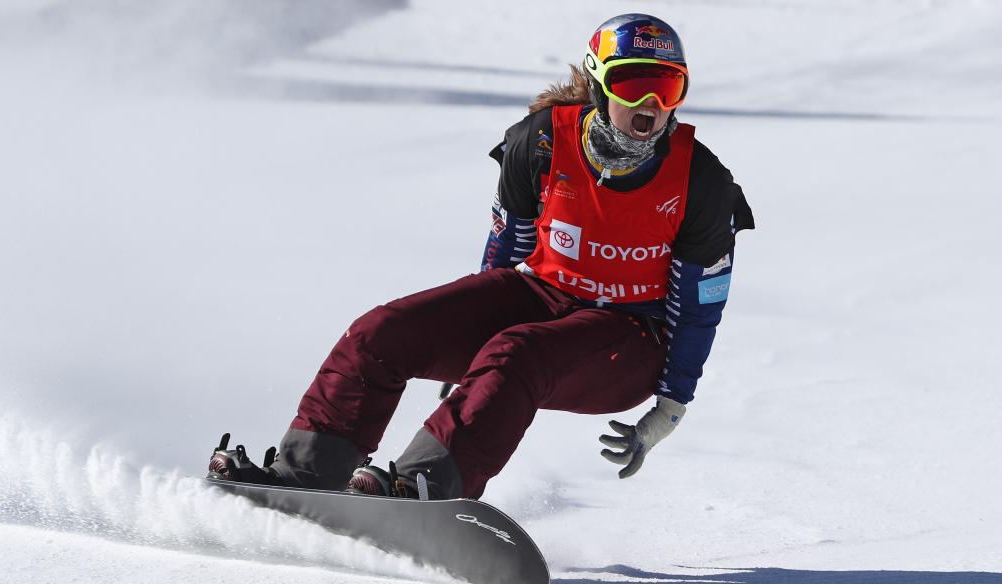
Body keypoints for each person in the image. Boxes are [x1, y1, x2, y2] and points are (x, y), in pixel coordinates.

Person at [209, 13, 754, 501]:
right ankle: (305, 475)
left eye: (667, 87)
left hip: (632, 336)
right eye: (633, 85)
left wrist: (670, 407)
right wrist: (469, 352)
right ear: (597, 83)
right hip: (542, 294)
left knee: (516, 352)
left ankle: (427, 488)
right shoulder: (540, 143)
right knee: (381, 332)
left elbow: (699, 306)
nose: (650, 107)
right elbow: (503, 256)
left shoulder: (700, 182)